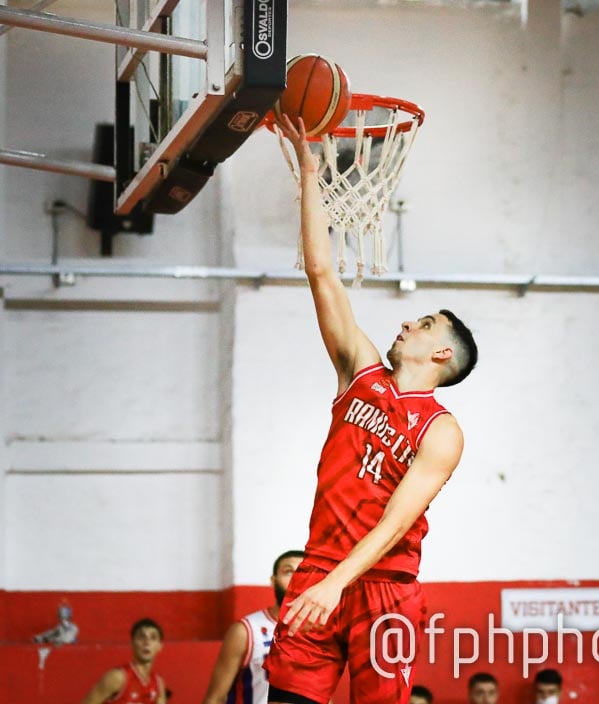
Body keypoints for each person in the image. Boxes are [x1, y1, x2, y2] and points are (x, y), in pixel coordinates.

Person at [264, 114, 478, 704]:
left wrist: (338, 583)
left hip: (384, 588)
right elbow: (321, 273)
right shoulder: (359, 371)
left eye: (424, 323)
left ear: (440, 353)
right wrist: (310, 173)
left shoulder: (442, 432)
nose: (407, 321)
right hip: (319, 569)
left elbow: (395, 524)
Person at [202, 550, 305, 704]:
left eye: (304, 572)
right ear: (273, 580)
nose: (296, 578)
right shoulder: (246, 630)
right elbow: (215, 698)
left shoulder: (321, 631)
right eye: (288, 571)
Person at [80, 618, 166, 704]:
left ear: (160, 646)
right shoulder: (117, 678)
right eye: (141, 637)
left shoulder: (159, 684)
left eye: (153, 638)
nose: (147, 642)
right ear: (132, 643)